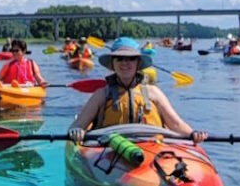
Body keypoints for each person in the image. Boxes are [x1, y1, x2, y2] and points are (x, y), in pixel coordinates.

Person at [67, 37, 207, 144]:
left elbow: (176, 124)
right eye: (119, 58)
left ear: (138, 63)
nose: (124, 63)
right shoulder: (101, 95)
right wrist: (77, 132)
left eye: (131, 58)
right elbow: (77, 126)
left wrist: (193, 134)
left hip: (152, 151)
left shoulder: (153, 93)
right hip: (109, 152)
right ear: (112, 64)